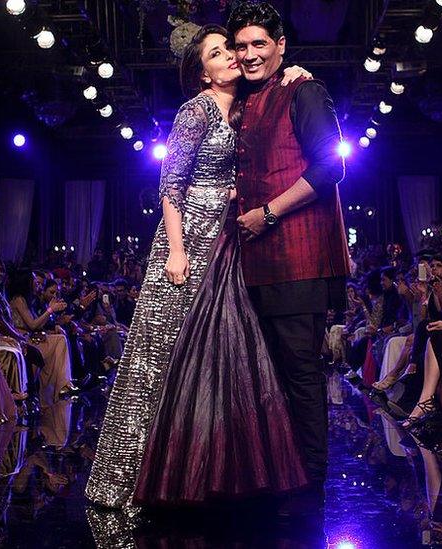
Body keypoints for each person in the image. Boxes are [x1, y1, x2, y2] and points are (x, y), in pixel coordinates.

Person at [85, 24, 311, 510]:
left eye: (230, 48)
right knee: (163, 355)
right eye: (217, 53)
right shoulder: (197, 109)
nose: (231, 56)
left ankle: (209, 470)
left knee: (218, 355)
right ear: (201, 71)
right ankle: (132, 476)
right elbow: (171, 185)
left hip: (228, 241)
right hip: (187, 240)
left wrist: (295, 73)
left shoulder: (247, 108)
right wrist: (176, 250)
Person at [228, 1, 350, 516]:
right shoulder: (249, 100)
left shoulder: (305, 91)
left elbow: (329, 168)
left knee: (299, 374)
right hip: (258, 263)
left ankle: (311, 488)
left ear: (281, 46)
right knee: (272, 374)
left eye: (261, 44)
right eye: (242, 46)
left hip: (298, 258)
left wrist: (268, 213)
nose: (251, 54)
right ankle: (286, 477)